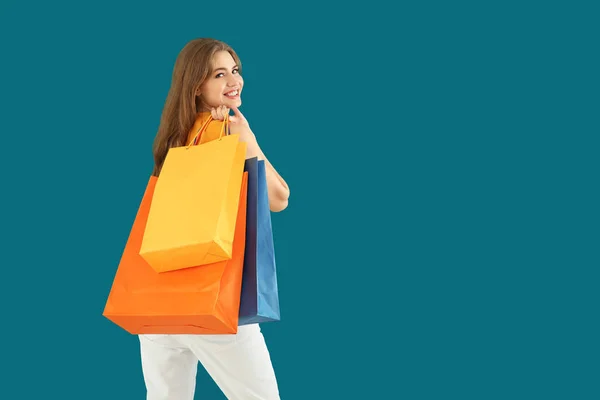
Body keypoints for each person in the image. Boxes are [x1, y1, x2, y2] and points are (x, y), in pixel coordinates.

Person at [138, 38, 290, 400]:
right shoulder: (228, 132)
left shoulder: (174, 139)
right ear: (196, 87)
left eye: (235, 71)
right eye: (219, 74)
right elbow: (279, 198)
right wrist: (247, 138)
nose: (233, 80)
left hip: (158, 308)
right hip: (212, 303)